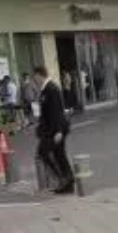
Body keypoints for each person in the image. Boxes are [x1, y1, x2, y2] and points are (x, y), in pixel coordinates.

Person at [32, 66, 75, 194]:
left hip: (54, 131)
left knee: (43, 152)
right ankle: (68, 182)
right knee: (59, 155)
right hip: (50, 130)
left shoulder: (51, 89)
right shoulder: (46, 89)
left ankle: (63, 178)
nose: (35, 81)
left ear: (40, 75)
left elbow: (57, 112)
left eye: (35, 78)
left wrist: (59, 131)